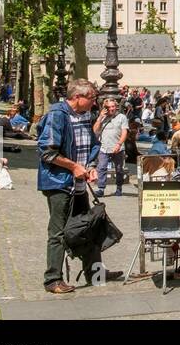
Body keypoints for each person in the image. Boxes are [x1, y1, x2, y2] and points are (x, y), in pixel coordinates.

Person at [37, 80, 123, 294]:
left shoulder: (85, 116)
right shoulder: (57, 115)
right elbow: (47, 152)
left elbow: (93, 144)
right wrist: (74, 166)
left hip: (79, 182)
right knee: (58, 231)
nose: (95, 103)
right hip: (59, 183)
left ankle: (95, 273)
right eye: (92, 98)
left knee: (90, 226)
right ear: (77, 97)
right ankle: (53, 279)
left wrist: (91, 166)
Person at [93, 96, 129, 198]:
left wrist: (119, 144)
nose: (112, 109)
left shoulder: (122, 117)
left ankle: (119, 187)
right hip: (104, 147)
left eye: (113, 106)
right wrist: (100, 118)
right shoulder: (102, 117)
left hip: (118, 148)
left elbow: (124, 132)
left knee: (119, 169)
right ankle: (101, 189)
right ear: (105, 108)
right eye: (109, 107)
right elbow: (95, 131)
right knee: (102, 168)